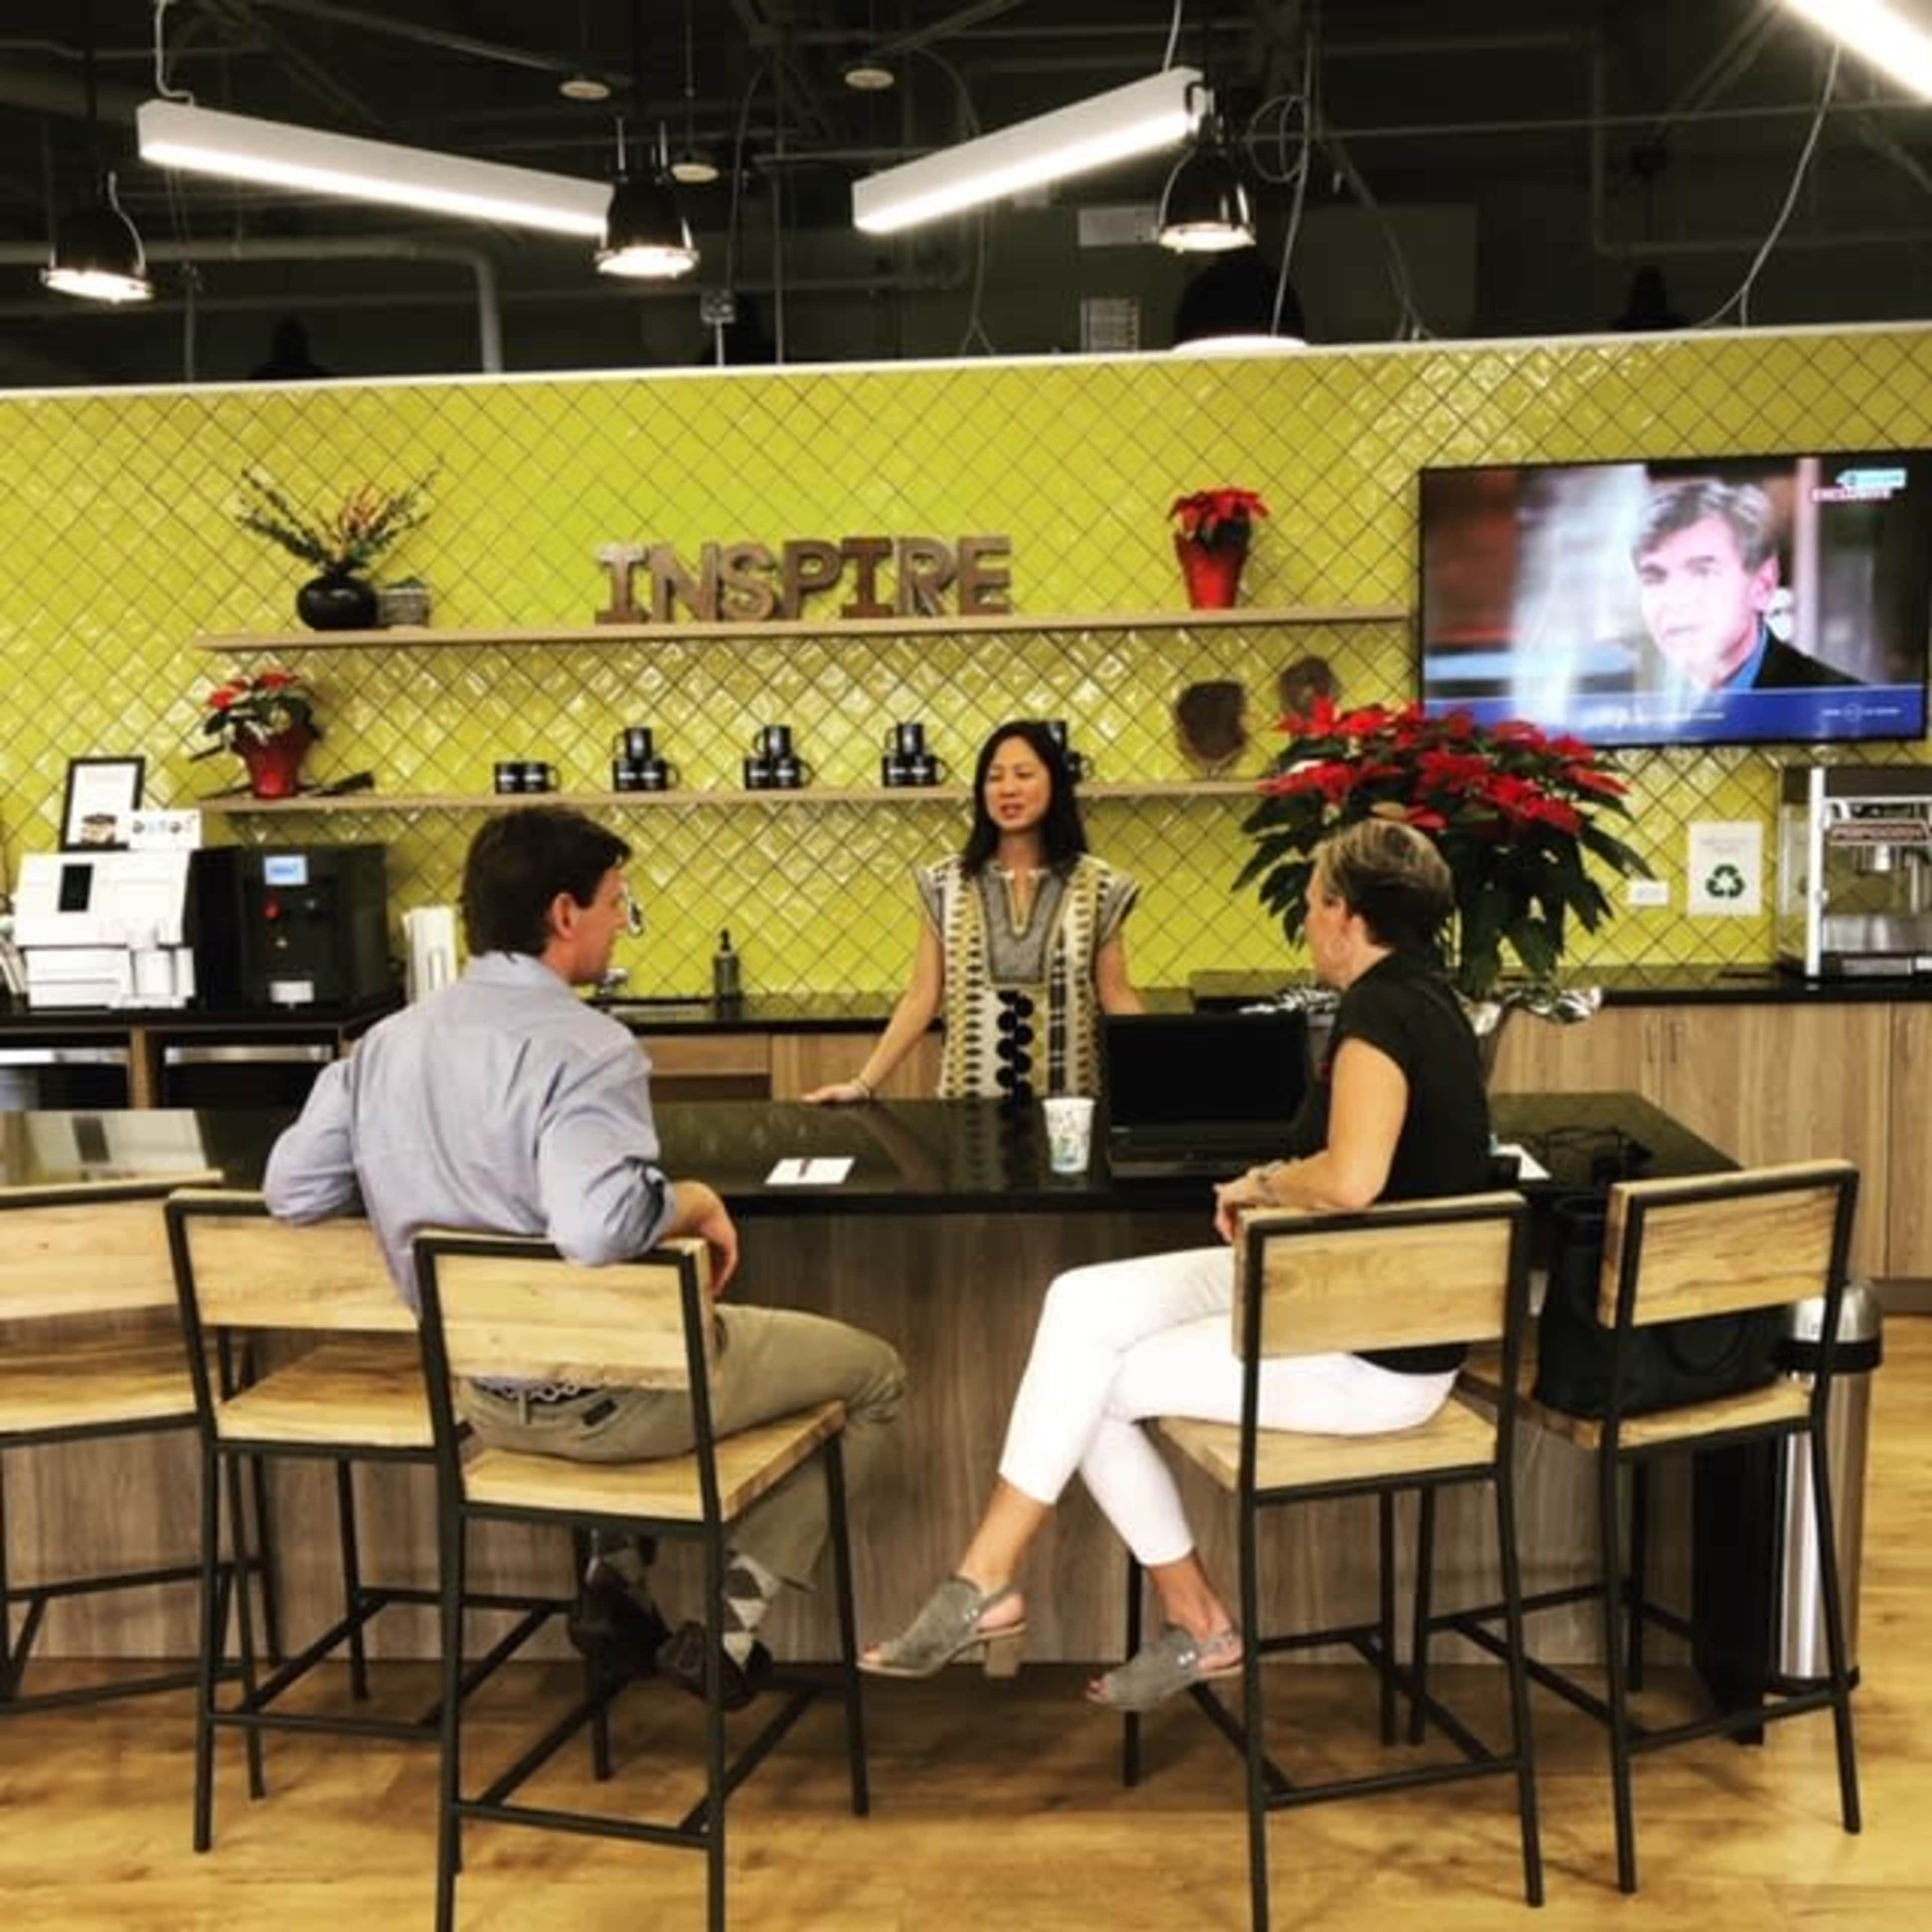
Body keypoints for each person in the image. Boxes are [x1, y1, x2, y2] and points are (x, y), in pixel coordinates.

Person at [263, 804, 907, 1708]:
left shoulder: (382, 1047)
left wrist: (420, 1171)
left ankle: (616, 1587)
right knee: (876, 1377)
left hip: (484, 1404)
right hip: (617, 1407)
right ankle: (727, 1634)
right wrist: (691, 1200)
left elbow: (291, 1191)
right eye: (617, 903)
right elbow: (599, 1231)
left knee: (627, 1353)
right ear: (565, 915)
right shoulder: (587, 1048)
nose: (619, 923)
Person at [859, 818, 1491, 1708]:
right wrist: (1268, 1186)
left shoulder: (1385, 1011)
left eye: (1313, 905)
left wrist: (1267, 1184)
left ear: (1345, 915)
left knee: (1102, 1388)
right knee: (1080, 1302)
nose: (1307, 921)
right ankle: (991, 1582)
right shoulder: (1427, 997)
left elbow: (1352, 1179)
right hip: (1334, 1291)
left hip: (1375, 1355)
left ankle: (1157, 1616)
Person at [805, 720, 1143, 1104]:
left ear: (1055, 784)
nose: (1008, 788)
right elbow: (922, 997)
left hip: (1070, 1120)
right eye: (995, 777)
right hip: (968, 1122)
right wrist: (862, 1085)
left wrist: (1165, 1090)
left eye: (1024, 774)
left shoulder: (1098, 886)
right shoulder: (945, 883)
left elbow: (1117, 998)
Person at [1632, 478, 1858, 693]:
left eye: (1702, 572)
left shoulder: (1839, 699)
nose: (1675, 599)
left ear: (1762, 585)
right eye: (1655, 578)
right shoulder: (1630, 706)